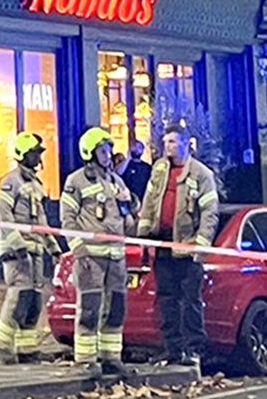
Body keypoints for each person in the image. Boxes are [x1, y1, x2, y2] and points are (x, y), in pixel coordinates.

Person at [61, 128, 136, 384]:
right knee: (90, 309)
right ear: (90, 152)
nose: (108, 155)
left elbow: (128, 221)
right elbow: (67, 219)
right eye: (102, 150)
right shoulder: (76, 181)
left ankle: (111, 357)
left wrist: (129, 204)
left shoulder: (116, 181)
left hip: (116, 257)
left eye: (108, 150)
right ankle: (86, 360)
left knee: (116, 308)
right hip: (90, 257)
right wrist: (78, 249)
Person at [140, 129, 219, 368]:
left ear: (186, 144)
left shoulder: (202, 174)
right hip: (163, 245)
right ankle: (171, 348)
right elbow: (149, 202)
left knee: (190, 301)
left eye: (173, 142)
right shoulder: (159, 170)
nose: (168, 147)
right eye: (166, 142)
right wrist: (144, 236)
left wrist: (201, 245)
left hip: (187, 248)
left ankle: (193, 350)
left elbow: (209, 213)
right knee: (167, 300)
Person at [0, 132, 54, 364]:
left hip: (35, 250)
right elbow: (4, 216)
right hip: (16, 252)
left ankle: (27, 349)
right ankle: (0, 344)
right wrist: (18, 245)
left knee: (34, 300)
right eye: (34, 153)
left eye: (38, 153)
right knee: (18, 296)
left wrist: (53, 247)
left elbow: (42, 221)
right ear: (22, 155)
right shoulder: (10, 182)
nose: (37, 158)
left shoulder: (36, 185)